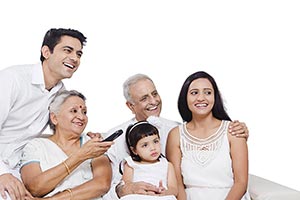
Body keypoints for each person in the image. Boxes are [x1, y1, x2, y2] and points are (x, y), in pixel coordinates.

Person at [102, 73, 249, 199]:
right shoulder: (116, 139)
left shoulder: (174, 128)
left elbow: (240, 182)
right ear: (130, 106)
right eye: (144, 98)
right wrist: (125, 189)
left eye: (154, 94)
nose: (153, 101)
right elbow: (107, 185)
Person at [0, 28, 88, 200]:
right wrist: (2, 173)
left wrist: (86, 138)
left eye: (79, 54)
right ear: (46, 52)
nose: (75, 59)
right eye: (67, 50)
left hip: (21, 169)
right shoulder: (12, 79)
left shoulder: (62, 94)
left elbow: (60, 133)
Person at [166, 71, 251, 200]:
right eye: (194, 93)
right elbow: (177, 184)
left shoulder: (234, 131)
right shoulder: (176, 135)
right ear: (185, 98)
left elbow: (241, 183)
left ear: (215, 97)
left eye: (208, 92)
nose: (201, 98)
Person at [20, 90, 113, 199]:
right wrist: (80, 156)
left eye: (84, 112)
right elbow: (35, 188)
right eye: (74, 111)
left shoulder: (93, 142)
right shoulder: (36, 146)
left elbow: (102, 185)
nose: (81, 117)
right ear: (54, 118)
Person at [120, 121, 177, 200]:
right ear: (134, 150)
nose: (153, 148)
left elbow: (174, 189)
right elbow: (126, 186)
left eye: (155, 141)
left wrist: (164, 192)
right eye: (145, 145)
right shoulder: (131, 164)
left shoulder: (167, 165)